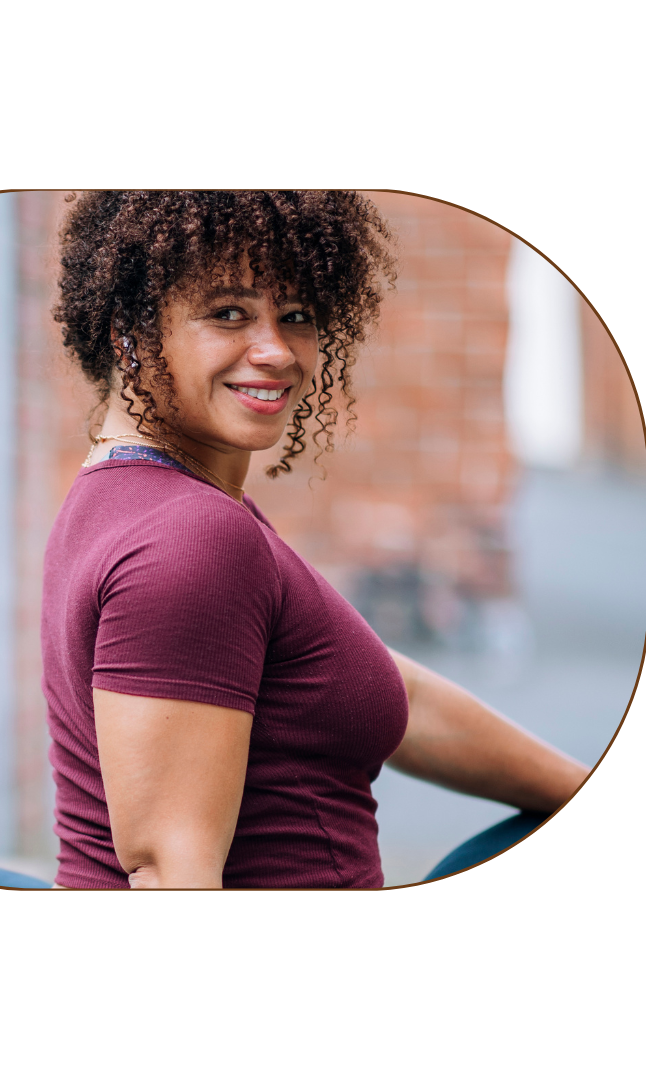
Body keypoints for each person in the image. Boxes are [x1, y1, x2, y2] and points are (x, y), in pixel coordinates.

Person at [36, 191, 589, 890]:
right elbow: (169, 869)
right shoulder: (193, 538)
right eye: (228, 314)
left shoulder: (130, 495)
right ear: (129, 329)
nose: (274, 350)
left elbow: (395, 695)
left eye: (296, 315)